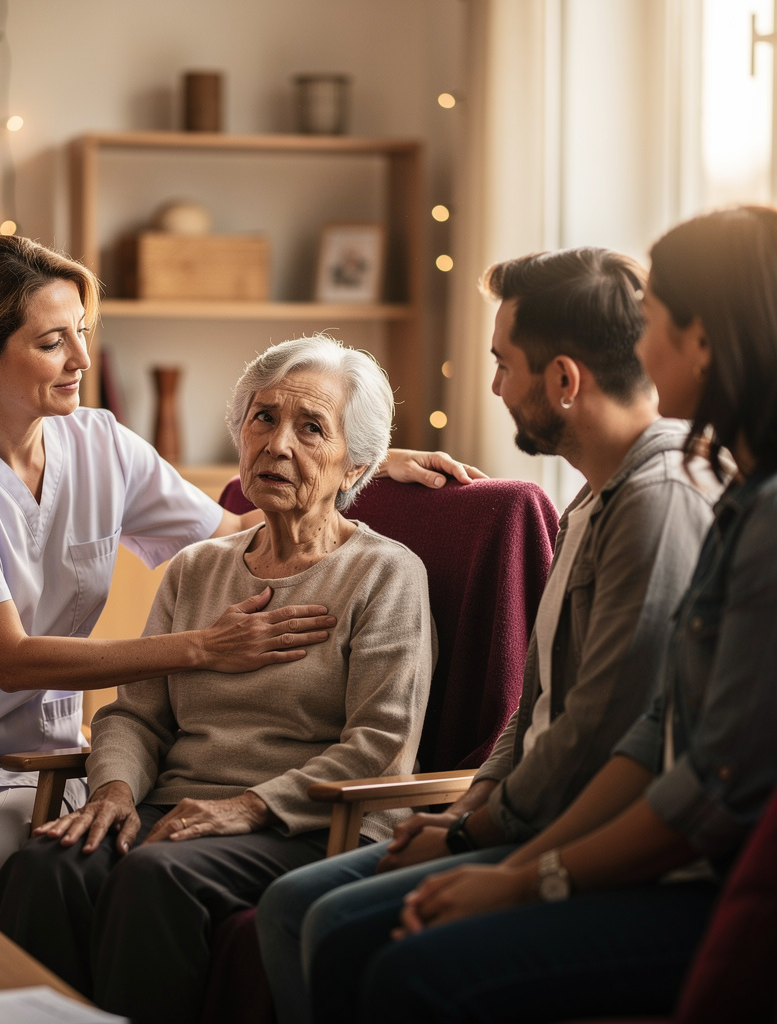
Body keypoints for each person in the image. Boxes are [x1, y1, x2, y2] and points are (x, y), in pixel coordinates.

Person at [0, 235, 468, 923]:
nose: (83, 359)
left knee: (17, 866)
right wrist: (202, 646)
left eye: (81, 333)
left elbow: (233, 529)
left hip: (19, 756)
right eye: (53, 342)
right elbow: (9, 658)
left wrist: (361, 459)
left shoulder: (102, 443)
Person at [309, 205, 777, 1024]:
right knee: (326, 921)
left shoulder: (689, 501)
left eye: (657, 320)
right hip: (605, 841)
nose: (642, 344)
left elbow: (693, 780)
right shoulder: (656, 499)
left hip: (699, 880)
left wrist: (514, 863)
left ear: (704, 341)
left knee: (372, 952)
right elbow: (616, 718)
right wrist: (468, 823)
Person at [0, 334, 437, 1024]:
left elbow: (382, 741)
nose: (278, 444)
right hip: (178, 810)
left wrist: (248, 806)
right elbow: (136, 716)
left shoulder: (386, 574)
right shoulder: (199, 568)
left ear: (355, 466)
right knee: (45, 866)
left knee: (153, 874)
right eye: (263, 418)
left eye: (311, 427)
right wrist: (111, 791)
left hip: (309, 824)